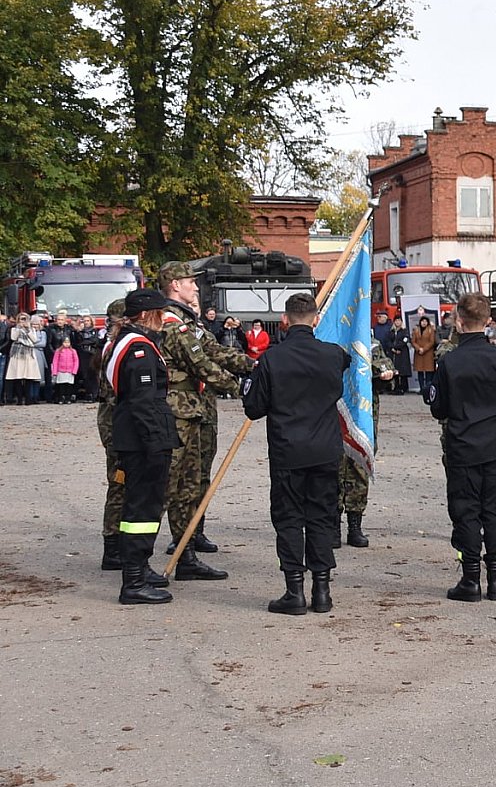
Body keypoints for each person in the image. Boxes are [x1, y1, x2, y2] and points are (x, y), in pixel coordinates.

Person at [243, 292, 349, 615]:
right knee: (321, 517)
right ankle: (322, 590)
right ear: (316, 320)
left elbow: (254, 408)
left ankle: (295, 591)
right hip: (324, 449)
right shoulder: (333, 355)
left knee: (289, 518)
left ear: (284, 320)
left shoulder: (272, 359)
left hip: (288, 450)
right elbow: (346, 363)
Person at [155, 262, 255, 576]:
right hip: (176, 411)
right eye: (190, 282)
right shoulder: (172, 323)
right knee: (167, 486)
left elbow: (214, 351)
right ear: (175, 284)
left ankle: (186, 556)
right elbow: (201, 364)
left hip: (192, 410)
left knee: (189, 485)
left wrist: (257, 365)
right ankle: (136, 563)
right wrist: (241, 387)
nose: (196, 287)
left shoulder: (187, 322)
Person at [427, 292, 496, 602]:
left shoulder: (450, 361)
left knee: (465, 510)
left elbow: (438, 407)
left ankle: (471, 579)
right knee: (494, 508)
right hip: (494, 444)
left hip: (462, 443)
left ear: (459, 322)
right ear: (488, 322)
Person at [106, 289, 182, 605]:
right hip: (143, 441)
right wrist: (155, 443)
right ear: (147, 315)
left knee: (144, 509)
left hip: (140, 438)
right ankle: (133, 581)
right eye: (161, 313)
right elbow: (143, 402)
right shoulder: (138, 348)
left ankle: (139, 568)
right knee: (141, 509)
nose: (165, 318)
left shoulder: (134, 342)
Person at [337, 343, 395, 548]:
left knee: (359, 468)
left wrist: (384, 374)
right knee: (332, 469)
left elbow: (385, 368)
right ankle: (332, 524)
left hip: (362, 417)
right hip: (336, 415)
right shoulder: (331, 339)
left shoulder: (371, 345)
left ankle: (355, 524)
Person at [5, 313, 43, 405]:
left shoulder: (32, 329)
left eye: (25, 319)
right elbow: (13, 338)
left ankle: (28, 399)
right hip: (17, 355)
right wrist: (19, 328)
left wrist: (28, 329)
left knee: (28, 377)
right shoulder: (14, 329)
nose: (23, 321)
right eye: (21, 319)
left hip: (28, 354)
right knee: (18, 377)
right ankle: (19, 399)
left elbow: (34, 340)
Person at [412, 314, 438, 396]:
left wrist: (424, 349)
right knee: (420, 372)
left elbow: (432, 342)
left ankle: (427, 389)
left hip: (428, 354)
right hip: (418, 354)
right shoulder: (416, 330)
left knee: (428, 373)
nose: (424, 323)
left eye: (425, 321)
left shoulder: (431, 330)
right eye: (422, 321)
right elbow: (413, 341)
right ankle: (421, 388)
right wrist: (418, 348)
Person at [50, 337, 79, 402]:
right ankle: (61, 398)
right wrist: (54, 372)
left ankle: (68, 398)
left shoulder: (73, 351)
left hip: (70, 371)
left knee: (69, 385)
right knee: (61, 385)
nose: (67, 344)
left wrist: (74, 370)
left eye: (68, 342)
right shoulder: (58, 351)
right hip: (61, 371)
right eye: (65, 342)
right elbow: (55, 361)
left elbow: (76, 361)